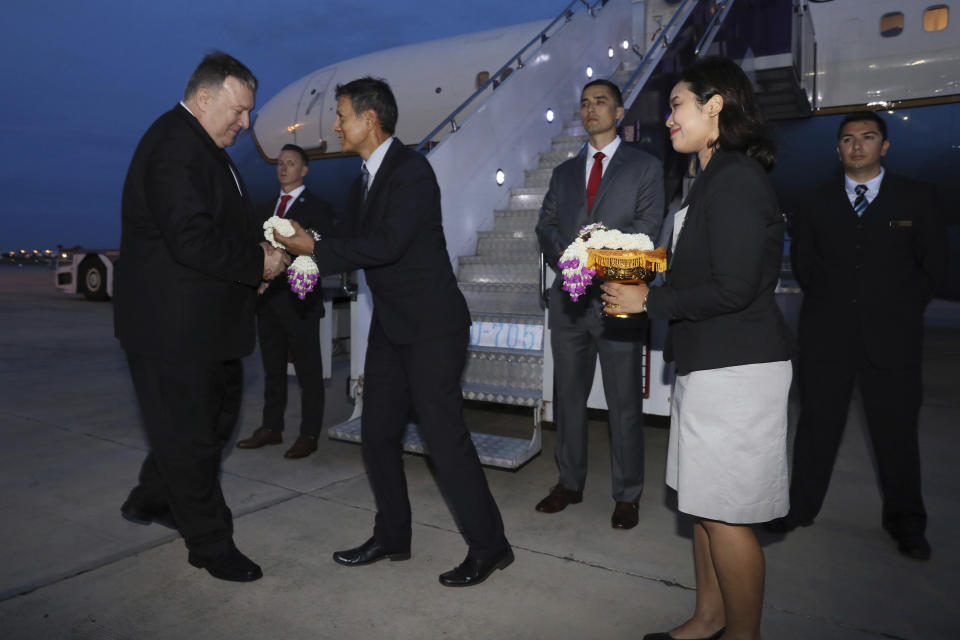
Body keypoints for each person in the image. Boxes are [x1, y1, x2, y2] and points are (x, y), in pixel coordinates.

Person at [276, 77, 512, 587]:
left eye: (341, 115)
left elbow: (385, 245)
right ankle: (393, 535)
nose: (335, 125)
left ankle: (491, 548)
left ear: (370, 119)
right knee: (376, 433)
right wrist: (297, 248)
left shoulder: (411, 171)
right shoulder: (364, 177)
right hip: (393, 326)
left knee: (444, 440)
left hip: (431, 327)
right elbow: (349, 239)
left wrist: (310, 249)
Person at [601, 56, 793, 640]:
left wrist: (647, 304)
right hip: (710, 363)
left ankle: (742, 634)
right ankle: (710, 617)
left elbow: (734, 287)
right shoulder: (707, 180)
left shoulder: (734, 177)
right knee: (706, 507)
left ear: (716, 105)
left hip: (737, 370)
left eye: (677, 104)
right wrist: (634, 268)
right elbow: (698, 269)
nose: (668, 120)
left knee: (727, 515)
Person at [116, 51, 289, 583]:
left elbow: (216, 231)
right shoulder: (174, 146)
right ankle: (210, 543)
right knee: (192, 439)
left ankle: (152, 499)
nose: (246, 123)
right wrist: (256, 262)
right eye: (239, 111)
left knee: (205, 428)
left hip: (207, 325)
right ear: (205, 96)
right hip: (174, 330)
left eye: (249, 113)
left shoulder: (205, 149)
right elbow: (190, 238)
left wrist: (251, 268)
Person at [767, 112, 947, 560]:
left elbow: (934, 267)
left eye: (867, 138)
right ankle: (800, 508)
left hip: (894, 340)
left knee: (897, 434)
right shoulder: (816, 201)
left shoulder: (917, 198)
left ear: (884, 146)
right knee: (815, 428)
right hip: (828, 337)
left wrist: (899, 310)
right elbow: (807, 266)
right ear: (838, 149)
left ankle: (906, 522)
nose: (857, 146)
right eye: (847, 140)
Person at [535, 79, 664, 529]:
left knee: (623, 402)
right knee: (568, 399)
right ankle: (569, 483)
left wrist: (595, 261)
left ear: (620, 110)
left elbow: (648, 230)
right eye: (585, 102)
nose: (592, 109)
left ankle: (627, 494)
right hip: (569, 302)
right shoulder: (563, 173)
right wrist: (571, 261)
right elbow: (545, 226)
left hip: (619, 299)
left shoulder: (644, 168)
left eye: (601, 101)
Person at [236, 143, 337, 459]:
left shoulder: (319, 208)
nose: (283, 168)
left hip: (300, 301)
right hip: (267, 302)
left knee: (309, 371)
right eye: (280, 163)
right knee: (272, 369)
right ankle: (271, 427)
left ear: (304, 170)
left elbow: (316, 251)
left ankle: (308, 434)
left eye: (291, 163)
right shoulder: (263, 208)